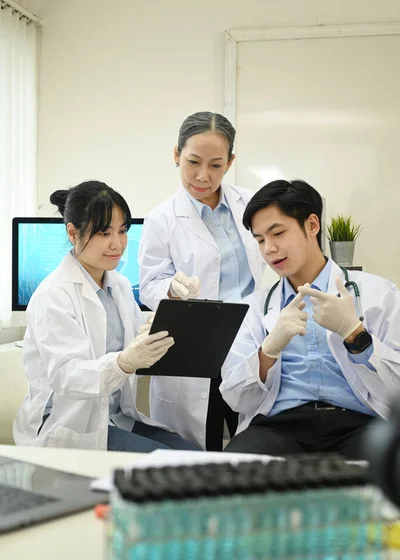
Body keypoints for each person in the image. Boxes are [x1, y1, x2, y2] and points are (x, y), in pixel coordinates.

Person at [13, 180, 199, 452]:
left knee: (196, 456)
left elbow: (140, 341)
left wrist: (174, 303)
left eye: (122, 231)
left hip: (114, 417)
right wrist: (123, 363)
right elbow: (67, 376)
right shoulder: (53, 294)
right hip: (69, 423)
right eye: (104, 232)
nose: (117, 244)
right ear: (73, 233)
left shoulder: (119, 286)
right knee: (173, 466)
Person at [220, 179, 400, 459]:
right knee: (228, 476)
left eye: (277, 233)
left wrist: (356, 335)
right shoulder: (255, 307)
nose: (268, 248)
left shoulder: (380, 293)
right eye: (260, 240)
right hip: (278, 428)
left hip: (361, 424)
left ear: (312, 225)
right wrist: (267, 351)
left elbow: (396, 392)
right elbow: (234, 396)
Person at [138, 111, 265, 450]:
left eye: (216, 165)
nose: (202, 176)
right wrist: (171, 288)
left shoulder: (252, 204)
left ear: (231, 161)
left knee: (253, 443)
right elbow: (149, 282)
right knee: (199, 451)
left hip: (249, 339)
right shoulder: (161, 219)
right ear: (176, 154)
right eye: (193, 162)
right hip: (197, 344)